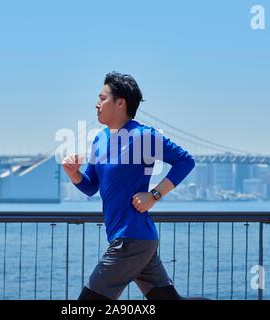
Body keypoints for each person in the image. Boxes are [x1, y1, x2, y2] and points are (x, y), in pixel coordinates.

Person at [62, 72, 196, 300]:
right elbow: (91, 187)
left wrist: (154, 195)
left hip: (130, 240)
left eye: (102, 98)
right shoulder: (99, 139)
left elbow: (186, 161)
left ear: (120, 103)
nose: (97, 104)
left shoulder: (143, 136)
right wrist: (73, 174)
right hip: (135, 239)